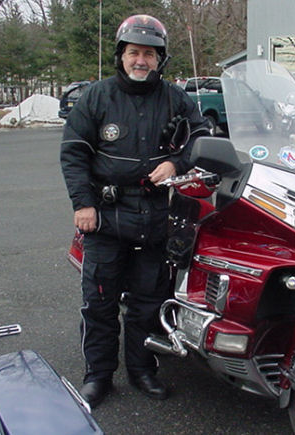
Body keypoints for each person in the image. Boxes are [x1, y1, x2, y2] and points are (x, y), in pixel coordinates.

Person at [60, 14, 210, 408]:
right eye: (133, 53)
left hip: (155, 216)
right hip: (105, 216)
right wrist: (83, 204)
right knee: (101, 301)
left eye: (148, 53)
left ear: (160, 59)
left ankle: (143, 370)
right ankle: (98, 376)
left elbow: (201, 137)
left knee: (148, 302)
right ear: (120, 56)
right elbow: (74, 153)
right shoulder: (96, 97)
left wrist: (177, 163)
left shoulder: (176, 98)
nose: (140, 60)